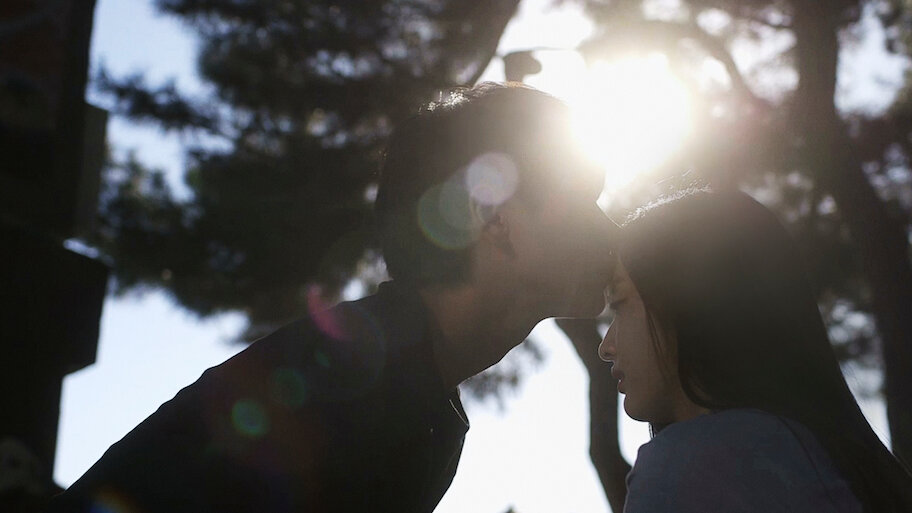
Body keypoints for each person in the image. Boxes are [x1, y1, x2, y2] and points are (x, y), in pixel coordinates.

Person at [48, 82, 616, 513]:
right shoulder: (352, 389)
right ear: (492, 215)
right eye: (581, 199)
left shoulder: (400, 379)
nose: (609, 229)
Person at [598, 188, 912, 512]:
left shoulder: (690, 467)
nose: (606, 347)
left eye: (619, 303)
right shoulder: (851, 468)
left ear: (690, 301)